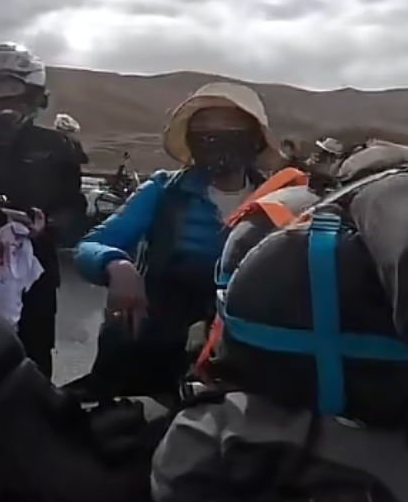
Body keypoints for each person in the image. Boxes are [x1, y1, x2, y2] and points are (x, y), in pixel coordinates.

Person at [72, 82, 291, 399]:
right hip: (155, 356)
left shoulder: (279, 201)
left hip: (240, 360)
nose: (214, 138)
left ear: (255, 139)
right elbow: (90, 246)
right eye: (204, 130)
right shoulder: (165, 191)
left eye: (229, 127)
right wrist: (116, 264)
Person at [0, 43, 87, 376]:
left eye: (15, 96)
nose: (6, 107)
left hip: (35, 276)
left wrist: (47, 227)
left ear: (33, 97)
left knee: (32, 363)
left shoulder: (57, 146)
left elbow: (75, 210)